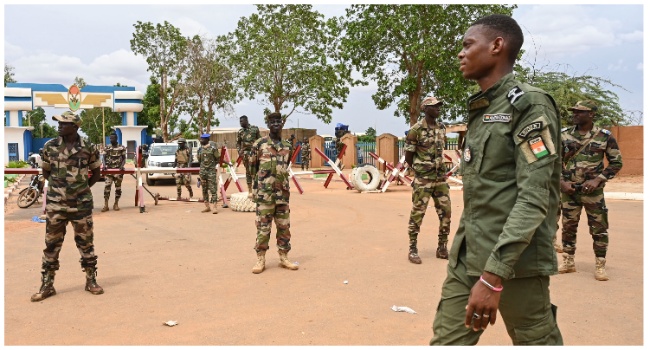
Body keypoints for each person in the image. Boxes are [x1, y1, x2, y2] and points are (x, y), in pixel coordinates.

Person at [430, 14, 563, 345]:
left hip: (514, 264)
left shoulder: (529, 105)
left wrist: (493, 277)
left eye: (467, 45)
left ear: (497, 46)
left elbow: (535, 198)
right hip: (468, 256)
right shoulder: (482, 108)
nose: (461, 53)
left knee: (535, 340)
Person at [31, 111, 104, 302]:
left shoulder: (88, 147)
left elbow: (96, 172)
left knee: (86, 243)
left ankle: (91, 280)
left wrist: (81, 190)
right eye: (59, 123)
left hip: (81, 205)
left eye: (63, 123)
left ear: (75, 126)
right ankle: (47, 285)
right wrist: (60, 190)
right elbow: (46, 173)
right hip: (56, 205)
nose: (59, 126)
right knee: (51, 245)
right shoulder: (50, 146)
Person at [558, 100, 623, 281]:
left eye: (580, 112)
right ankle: (568, 261)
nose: (575, 114)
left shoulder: (604, 136)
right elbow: (553, 162)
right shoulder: (563, 136)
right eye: (574, 111)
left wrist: (598, 179)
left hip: (592, 192)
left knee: (599, 229)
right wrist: (561, 182)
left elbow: (616, 162)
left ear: (591, 115)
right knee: (568, 227)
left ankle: (600, 264)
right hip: (569, 191)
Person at [404, 96, 451, 263]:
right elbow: (408, 155)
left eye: (439, 105)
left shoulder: (442, 128)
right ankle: (413, 248)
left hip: (440, 178)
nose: (438, 108)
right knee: (418, 213)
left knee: (446, 213)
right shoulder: (415, 130)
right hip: (423, 179)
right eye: (434, 106)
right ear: (425, 109)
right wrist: (419, 170)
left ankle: (442, 247)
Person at [250, 112, 298, 274]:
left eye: (278, 121)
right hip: (265, 195)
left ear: (282, 123)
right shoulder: (259, 144)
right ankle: (260, 258)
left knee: (284, 227)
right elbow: (252, 169)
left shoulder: (287, 146)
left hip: (282, 194)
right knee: (263, 228)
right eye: (273, 122)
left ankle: (284, 256)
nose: (276, 124)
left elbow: (286, 166)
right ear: (268, 124)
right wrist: (253, 190)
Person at [236, 115, 261, 194]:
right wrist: (239, 151)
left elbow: (259, 140)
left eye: (242, 121)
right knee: (248, 171)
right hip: (245, 154)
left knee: (256, 170)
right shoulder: (240, 132)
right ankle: (250, 189)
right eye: (240, 121)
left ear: (246, 121)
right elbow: (238, 143)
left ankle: (256, 188)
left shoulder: (255, 129)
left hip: (254, 153)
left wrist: (260, 151)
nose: (240, 123)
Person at [101, 132, 126, 212]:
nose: (111, 140)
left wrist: (122, 165)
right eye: (110, 138)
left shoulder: (121, 147)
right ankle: (106, 205)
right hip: (109, 171)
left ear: (116, 139)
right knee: (107, 187)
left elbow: (124, 158)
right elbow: (103, 158)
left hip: (118, 171)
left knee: (118, 188)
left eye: (113, 138)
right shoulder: (107, 147)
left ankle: (116, 204)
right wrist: (104, 165)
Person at [197, 133, 220, 214]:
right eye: (201, 139)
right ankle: (207, 206)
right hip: (203, 172)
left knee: (213, 189)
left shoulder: (213, 149)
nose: (201, 140)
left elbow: (217, 159)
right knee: (204, 189)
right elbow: (199, 160)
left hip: (211, 172)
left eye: (202, 139)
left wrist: (211, 166)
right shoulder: (200, 149)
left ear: (207, 140)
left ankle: (214, 207)